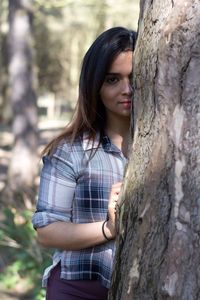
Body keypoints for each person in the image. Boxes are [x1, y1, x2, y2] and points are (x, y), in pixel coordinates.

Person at [32, 26, 137, 300]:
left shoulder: (175, 151)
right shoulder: (70, 151)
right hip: (78, 291)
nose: (127, 89)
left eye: (135, 77)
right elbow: (47, 232)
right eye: (112, 79)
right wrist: (109, 228)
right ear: (95, 85)